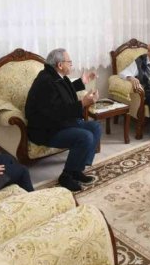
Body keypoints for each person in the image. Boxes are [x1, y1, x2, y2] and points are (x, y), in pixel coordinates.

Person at [25, 48, 101, 192]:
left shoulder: (56, 76)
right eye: (69, 62)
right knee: (85, 136)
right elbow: (56, 112)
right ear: (60, 65)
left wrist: (82, 81)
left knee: (95, 127)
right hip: (47, 130)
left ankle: (77, 170)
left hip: (60, 124)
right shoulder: (45, 82)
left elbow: (64, 91)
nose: (71, 64)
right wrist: (82, 103)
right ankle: (66, 176)